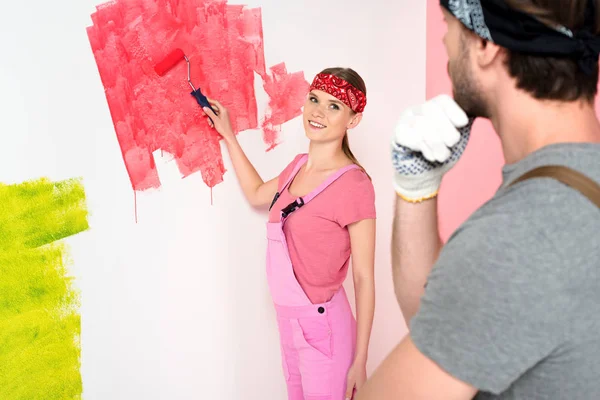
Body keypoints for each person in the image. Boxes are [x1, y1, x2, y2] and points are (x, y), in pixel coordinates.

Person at [355, 0, 600, 399]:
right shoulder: (571, 200)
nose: (444, 42)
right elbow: (449, 332)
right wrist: (417, 190)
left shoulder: (521, 237)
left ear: (485, 44)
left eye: (447, 25)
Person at [202, 67, 376, 400]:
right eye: (314, 99)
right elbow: (255, 193)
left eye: (334, 106)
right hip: (289, 322)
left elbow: (364, 277)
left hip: (324, 329)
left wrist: (360, 358)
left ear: (353, 120)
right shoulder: (296, 166)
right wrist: (228, 135)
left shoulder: (355, 185)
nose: (318, 112)